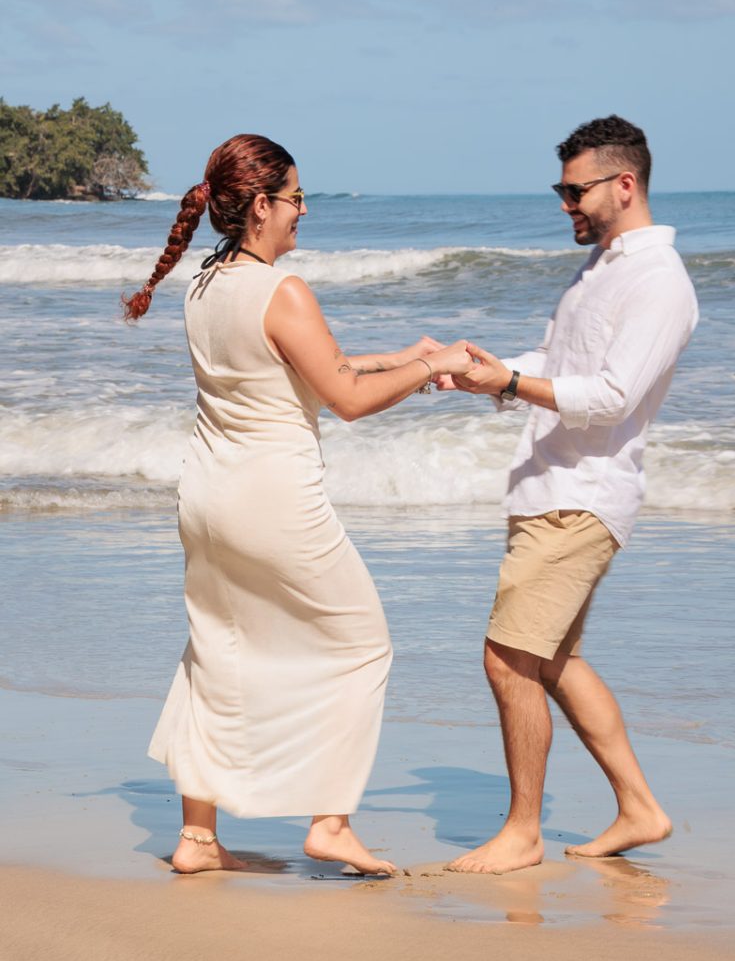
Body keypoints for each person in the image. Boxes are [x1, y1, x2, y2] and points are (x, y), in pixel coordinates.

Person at [122, 133, 472, 876]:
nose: (304, 211)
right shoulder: (282, 291)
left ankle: (197, 839)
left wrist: (413, 357)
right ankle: (331, 822)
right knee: (361, 643)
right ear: (259, 207)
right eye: (295, 198)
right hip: (274, 501)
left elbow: (307, 370)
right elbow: (344, 397)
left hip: (207, 496)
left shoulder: (207, 285)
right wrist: (431, 370)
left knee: (214, 648)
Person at [438, 115, 698, 873]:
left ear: (625, 184)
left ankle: (522, 833)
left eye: (574, 190)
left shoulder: (658, 280)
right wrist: (487, 372)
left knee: (507, 659)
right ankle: (640, 809)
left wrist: (514, 382)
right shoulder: (602, 270)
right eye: (560, 190)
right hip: (550, 485)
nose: (565, 205)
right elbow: (559, 361)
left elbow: (613, 395)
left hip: (583, 495)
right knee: (551, 662)